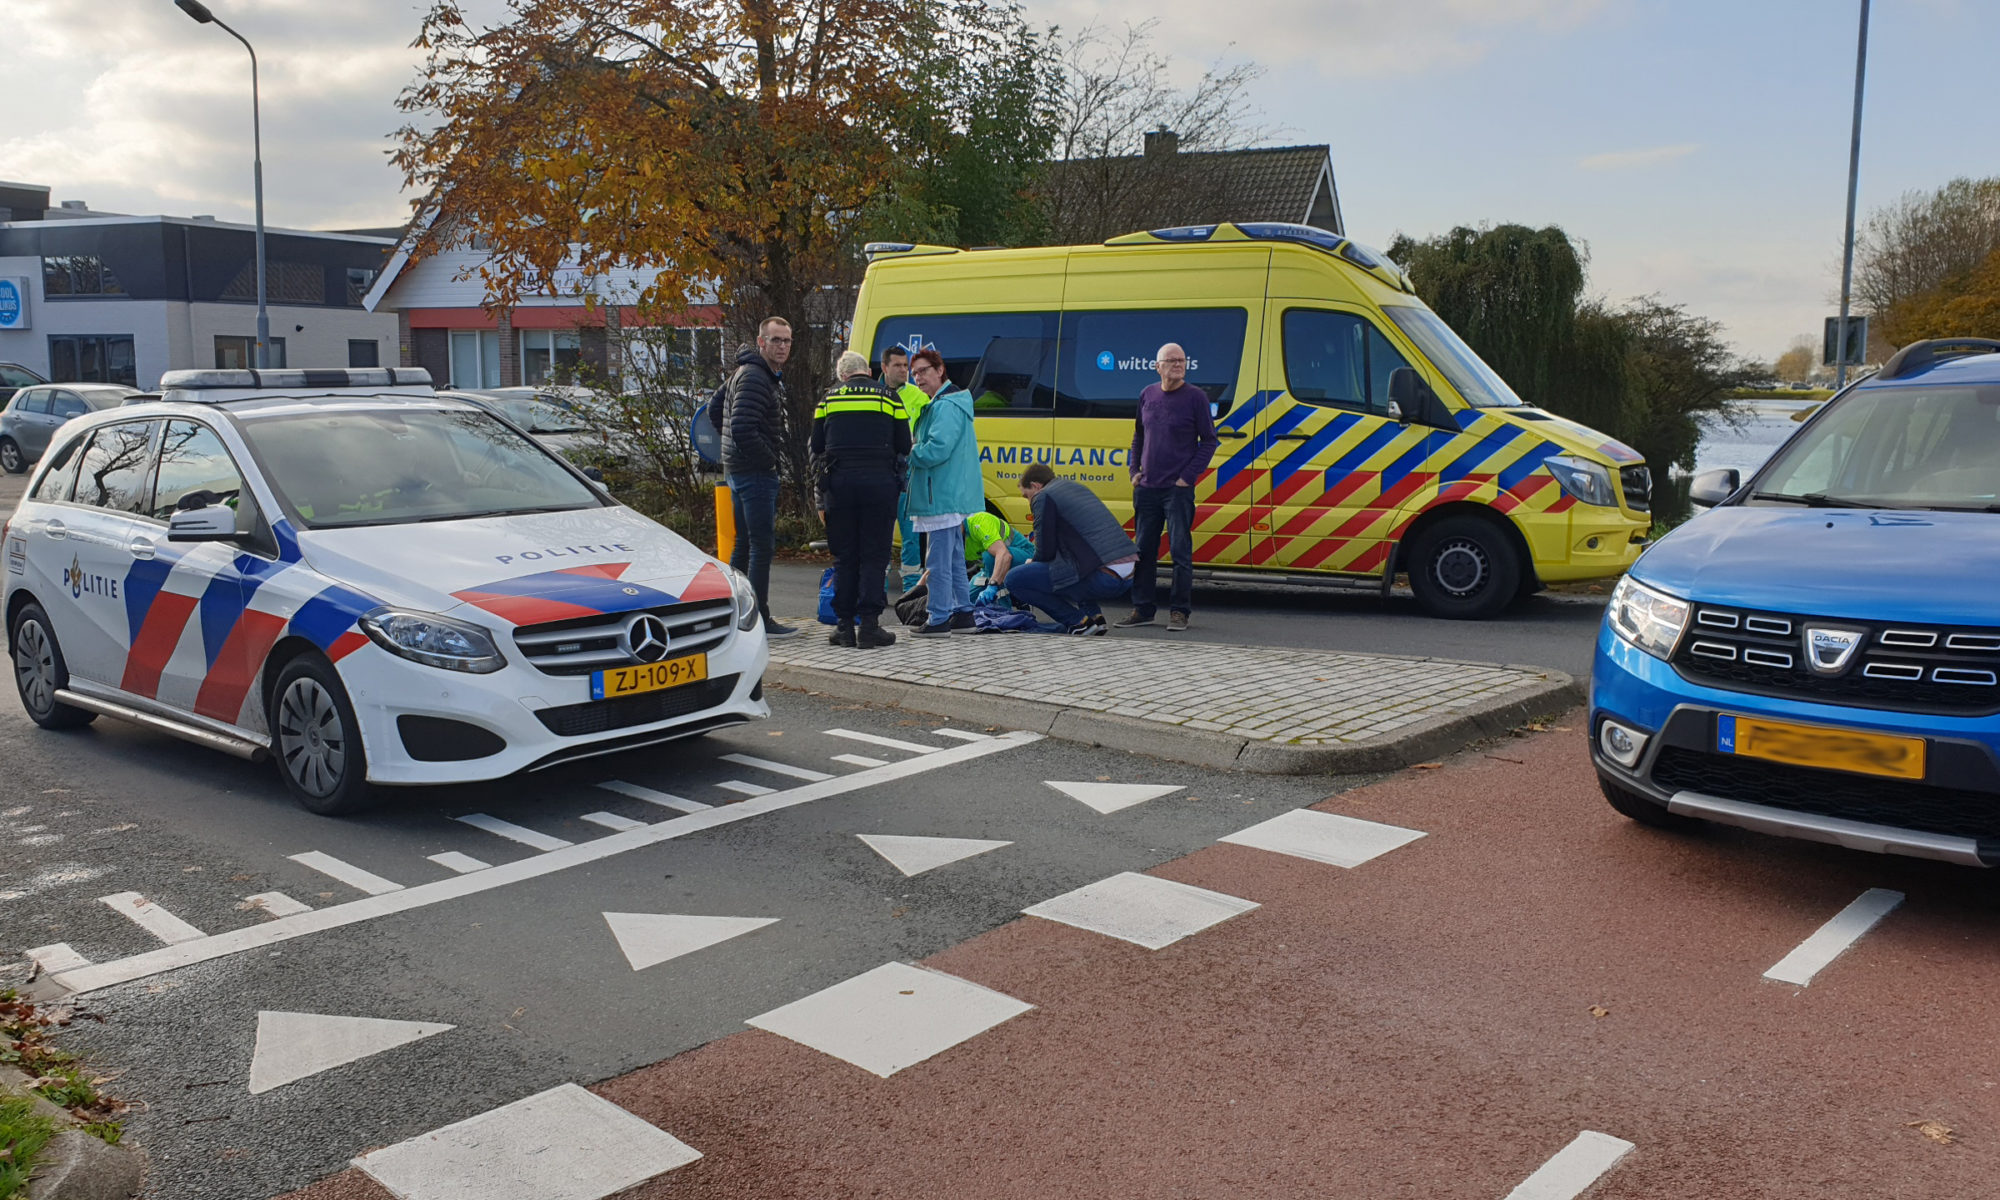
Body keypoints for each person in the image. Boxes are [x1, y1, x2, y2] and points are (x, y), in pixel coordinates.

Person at [1117, 341, 1220, 633]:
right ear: (1157, 366)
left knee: (1179, 552)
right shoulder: (1147, 394)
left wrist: (1187, 477)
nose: (1178, 365)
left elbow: (1209, 441)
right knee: (1143, 551)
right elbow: (1138, 435)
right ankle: (1143, 609)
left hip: (1177, 491)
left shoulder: (1196, 398)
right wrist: (1134, 471)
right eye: (1172, 360)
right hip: (1147, 489)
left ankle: (1179, 611)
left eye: (1182, 361)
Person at [812, 351, 911, 648]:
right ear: (867, 371)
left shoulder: (827, 400)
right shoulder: (889, 397)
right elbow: (904, 444)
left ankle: (844, 627)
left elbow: (817, 445)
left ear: (842, 376)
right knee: (874, 555)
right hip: (880, 486)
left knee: (845, 556)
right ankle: (869, 626)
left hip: (839, 487)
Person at [721, 318, 795, 638]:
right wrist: (769, 461)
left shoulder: (751, 373)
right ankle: (759, 617)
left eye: (787, 341)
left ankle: (739, 614)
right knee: (760, 547)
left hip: (740, 470)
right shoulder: (754, 376)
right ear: (761, 342)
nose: (782, 346)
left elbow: (714, 410)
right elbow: (741, 428)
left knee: (744, 544)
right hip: (753, 473)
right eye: (776, 340)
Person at [1007, 461, 1141, 635]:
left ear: (1035, 486)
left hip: (1105, 577)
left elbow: (1045, 551)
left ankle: (1078, 622)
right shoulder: (1076, 488)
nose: (1028, 501)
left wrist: (1031, 563)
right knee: (1071, 566)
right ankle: (1094, 619)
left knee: (1015, 580)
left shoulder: (1043, 496)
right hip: (1128, 575)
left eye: (1026, 496)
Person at [903, 347, 982, 636]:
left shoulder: (945, 406)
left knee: (937, 559)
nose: (918, 378)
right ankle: (963, 614)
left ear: (940, 370)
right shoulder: (951, 402)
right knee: (953, 557)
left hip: (940, 494)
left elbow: (937, 450)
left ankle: (937, 618)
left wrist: (908, 452)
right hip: (949, 493)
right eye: (914, 374)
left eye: (924, 371)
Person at [880, 346, 929, 590]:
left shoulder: (919, 397)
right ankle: (878, 585)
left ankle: (911, 587)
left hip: (908, 473)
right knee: (880, 532)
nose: (903, 370)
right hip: (880, 473)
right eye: (897, 365)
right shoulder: (873, 393)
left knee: (910, 535)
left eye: (905, 365)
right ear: (884, 367)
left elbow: (928, 434)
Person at [964, 510, 1035, 607]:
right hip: (989, 568)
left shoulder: (980, 522)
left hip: (1025, 557)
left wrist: (992, 585)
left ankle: (1005, 611)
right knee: (966, 600)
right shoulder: (951, 539)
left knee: (990, 556)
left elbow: (1004, 555)